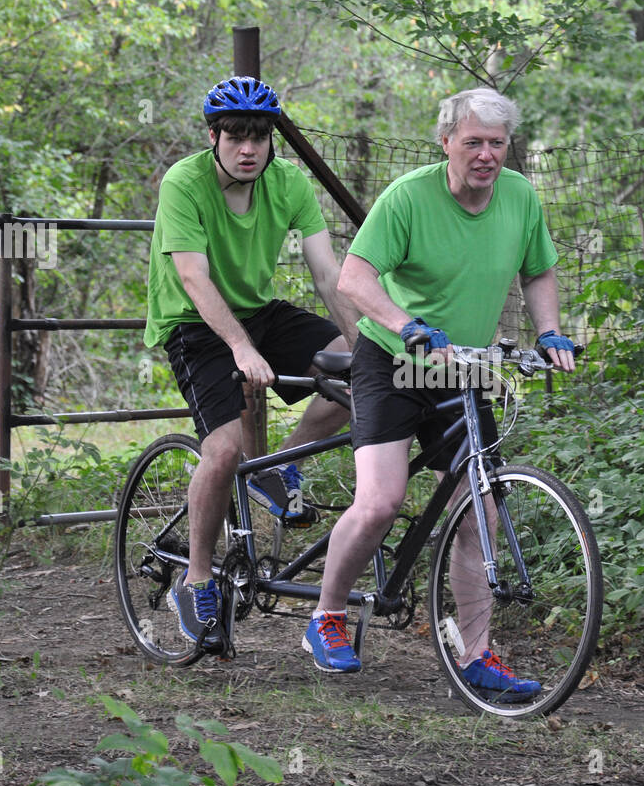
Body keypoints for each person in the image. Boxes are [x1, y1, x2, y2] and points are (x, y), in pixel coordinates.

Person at [305, 87, 576, 699]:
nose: (486, 155)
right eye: (473, 141)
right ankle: (326, 617)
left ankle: (477, 657)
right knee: (380, 502)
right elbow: (353, 277)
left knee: (477, 510)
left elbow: (538, 270)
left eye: (497, 144)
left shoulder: (520, 198)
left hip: (462, 367)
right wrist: (408, 325)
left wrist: (550, 330)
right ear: (446, 140)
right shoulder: (408, 198)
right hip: (393, 359)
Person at [145, 76, 357, 652]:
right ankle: (195, 578)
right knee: (224, 451)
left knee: (355, 371)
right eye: (235, 135)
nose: (248, 148)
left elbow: (326, 273)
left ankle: (281, 467)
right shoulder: (184, 183)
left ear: (271, 140)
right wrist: (240, 348)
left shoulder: (288, 182)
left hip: (260, 312)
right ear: (213, 135)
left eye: (259, 136)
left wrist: (362, 343)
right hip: (194, 324)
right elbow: (194, 276)